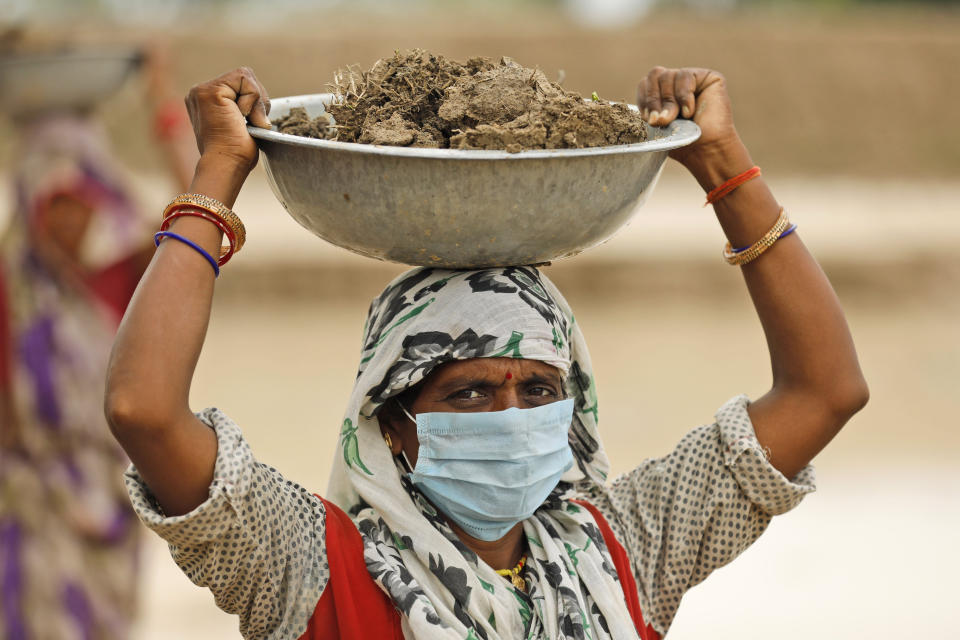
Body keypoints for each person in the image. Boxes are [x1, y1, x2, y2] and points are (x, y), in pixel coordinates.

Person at [104, 65, 868, 639]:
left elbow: (825, 392)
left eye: (537, 391)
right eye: (469, 393)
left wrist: (722, 163)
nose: (510, 415)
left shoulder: (624, 550)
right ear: (395, 423)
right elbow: (143, 409)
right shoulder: (311, 569)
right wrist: (218, 176)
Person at [0, 46, 197, 638]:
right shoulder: (14, 284)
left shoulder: (130, 271)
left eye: (75, 201)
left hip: (113, 488)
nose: (63, 219)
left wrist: (160, 100)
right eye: (49, 201)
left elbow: (203, 208)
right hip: (29, 499)